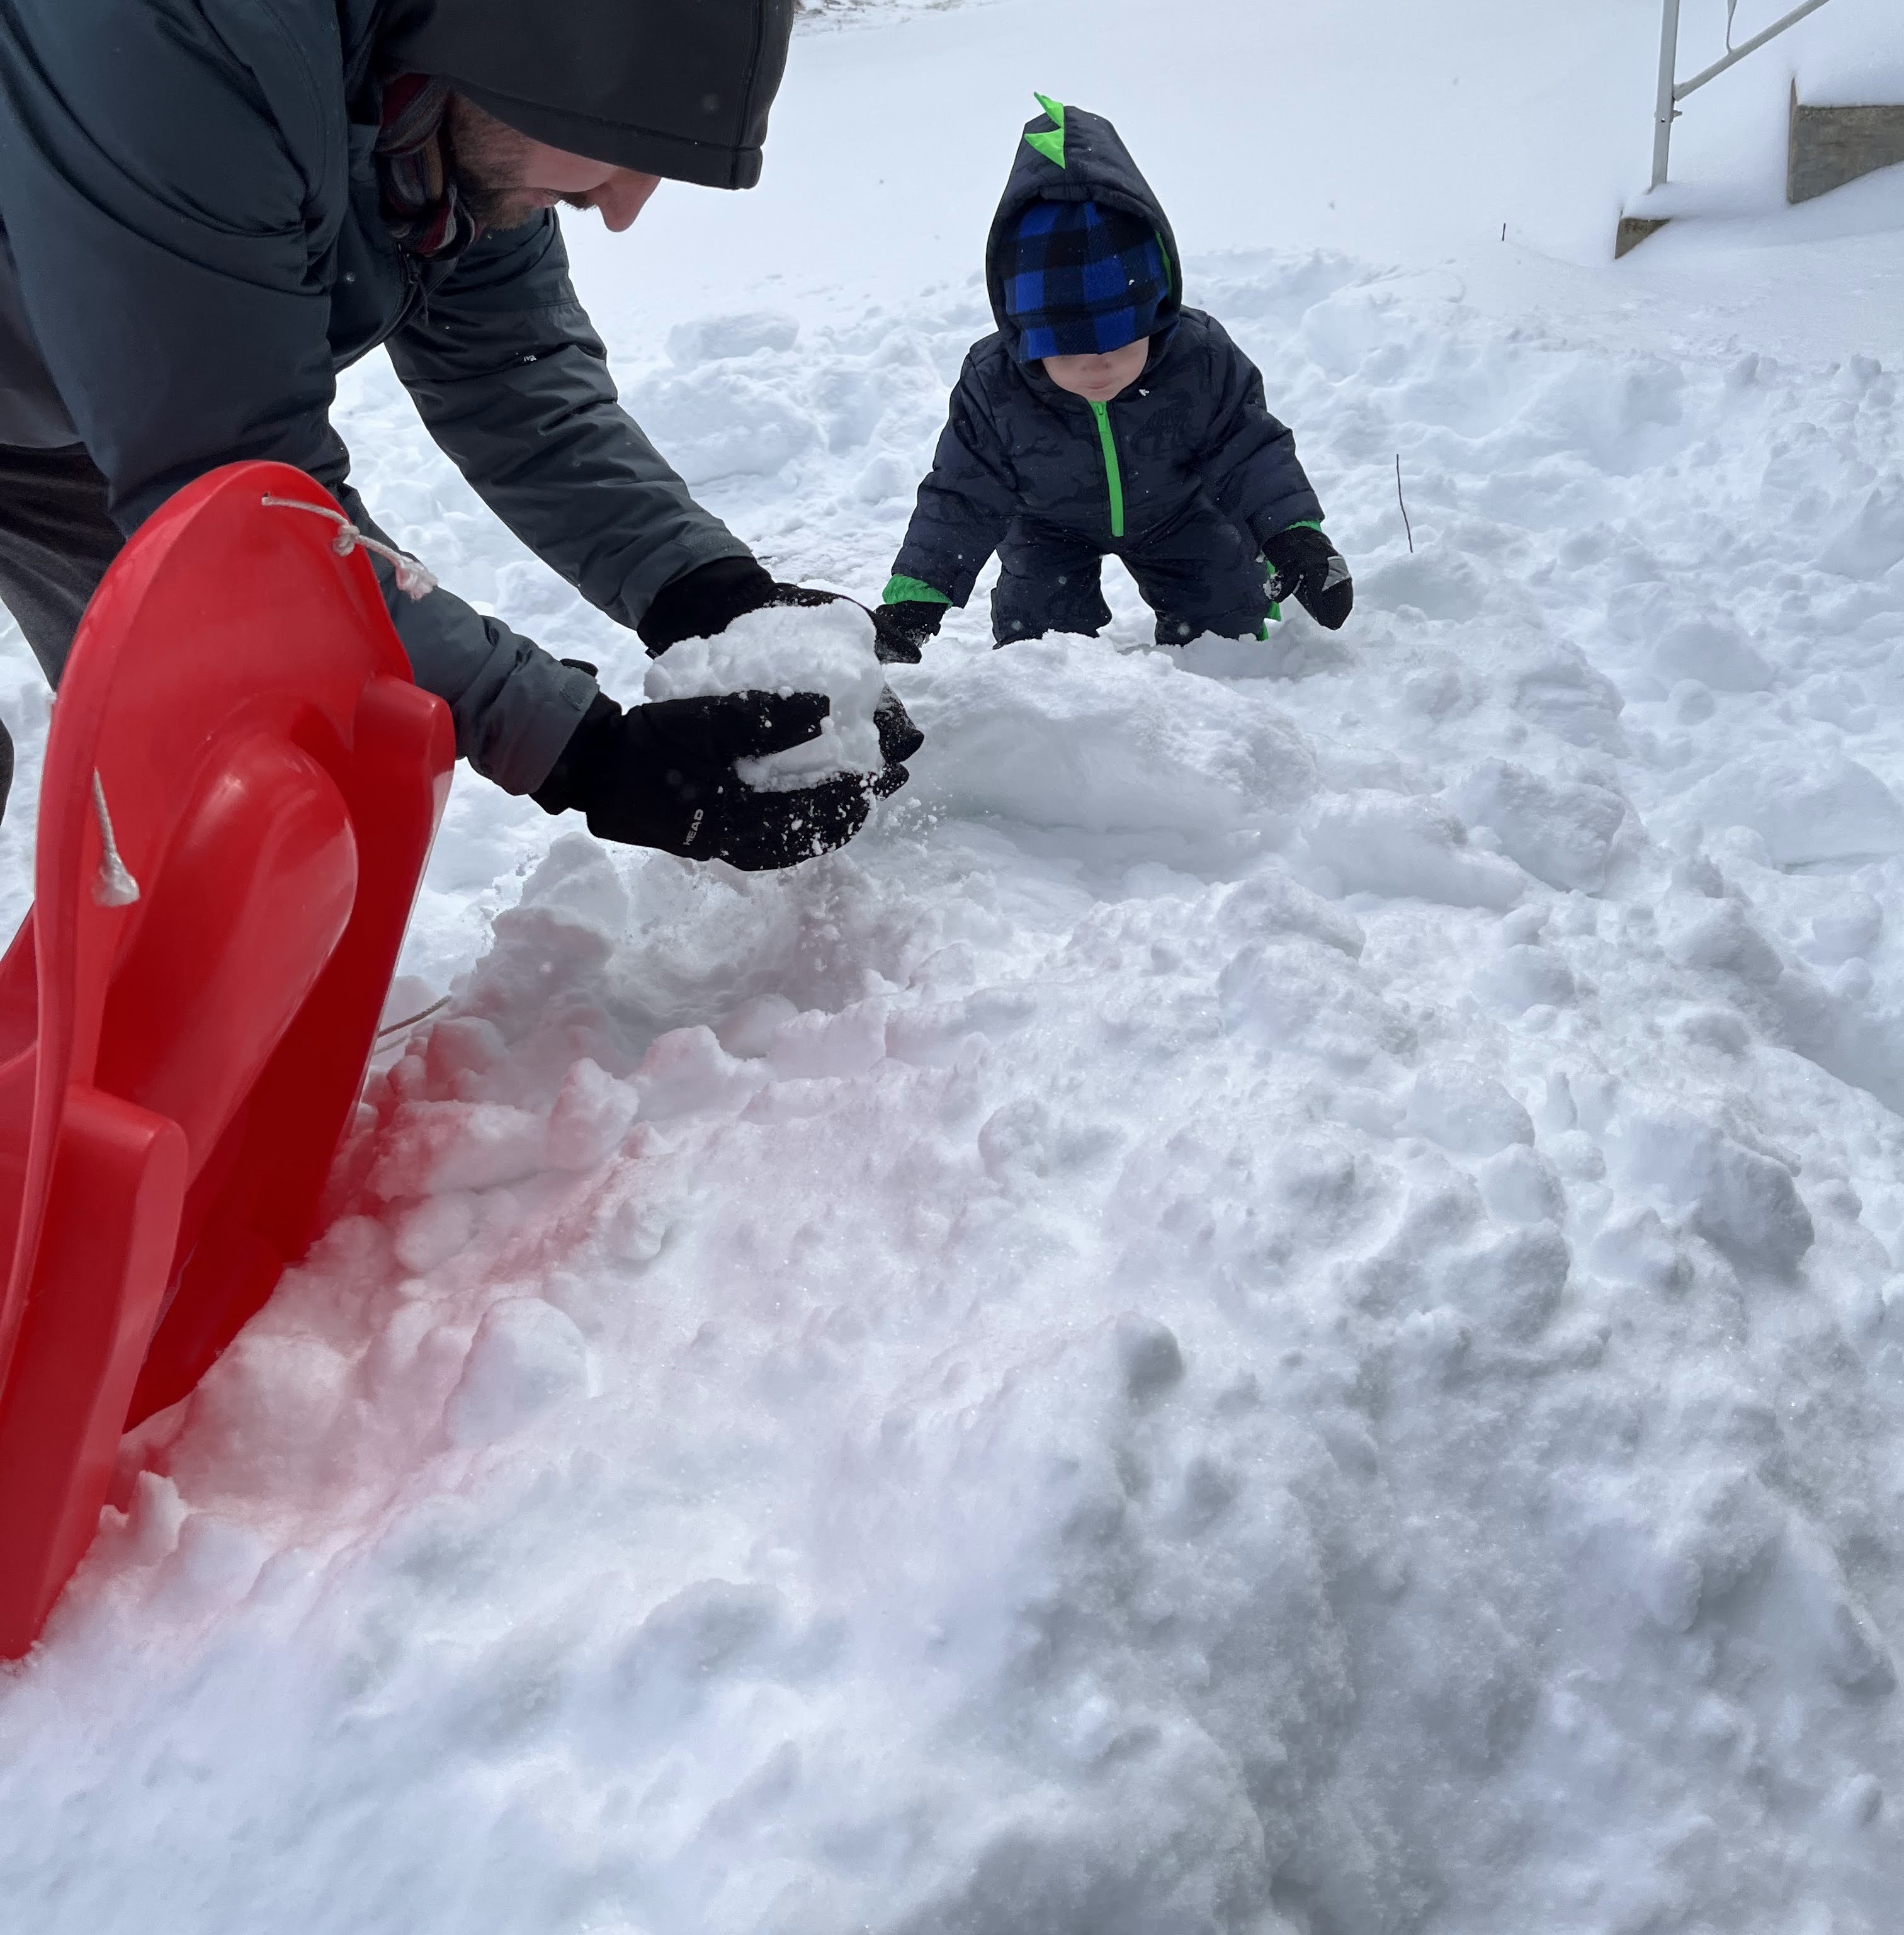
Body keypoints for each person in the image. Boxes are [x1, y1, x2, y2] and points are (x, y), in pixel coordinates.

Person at [0, 0, 914, 869]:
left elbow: (510, 378)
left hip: (92, 417)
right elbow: (245, 500)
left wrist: (701, 590)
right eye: (621, 143)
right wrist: (585, 752)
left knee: (225, 757)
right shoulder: (185, 42)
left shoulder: (447, 110)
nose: (629, 207)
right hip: (124, 404)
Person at [870, 97, 1354, 666]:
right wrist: (918, 596)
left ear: (1158, 313)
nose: (1098, 366)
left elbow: (1250, 450)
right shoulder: (994, 385)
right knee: (1039, 653)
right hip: (1049, 527)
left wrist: (1295, 535)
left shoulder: (1198, 357)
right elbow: (961, 494)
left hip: (1176, 512)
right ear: (1024, 332)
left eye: (1122, 341)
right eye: (1069, 350)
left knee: (1229, 631)